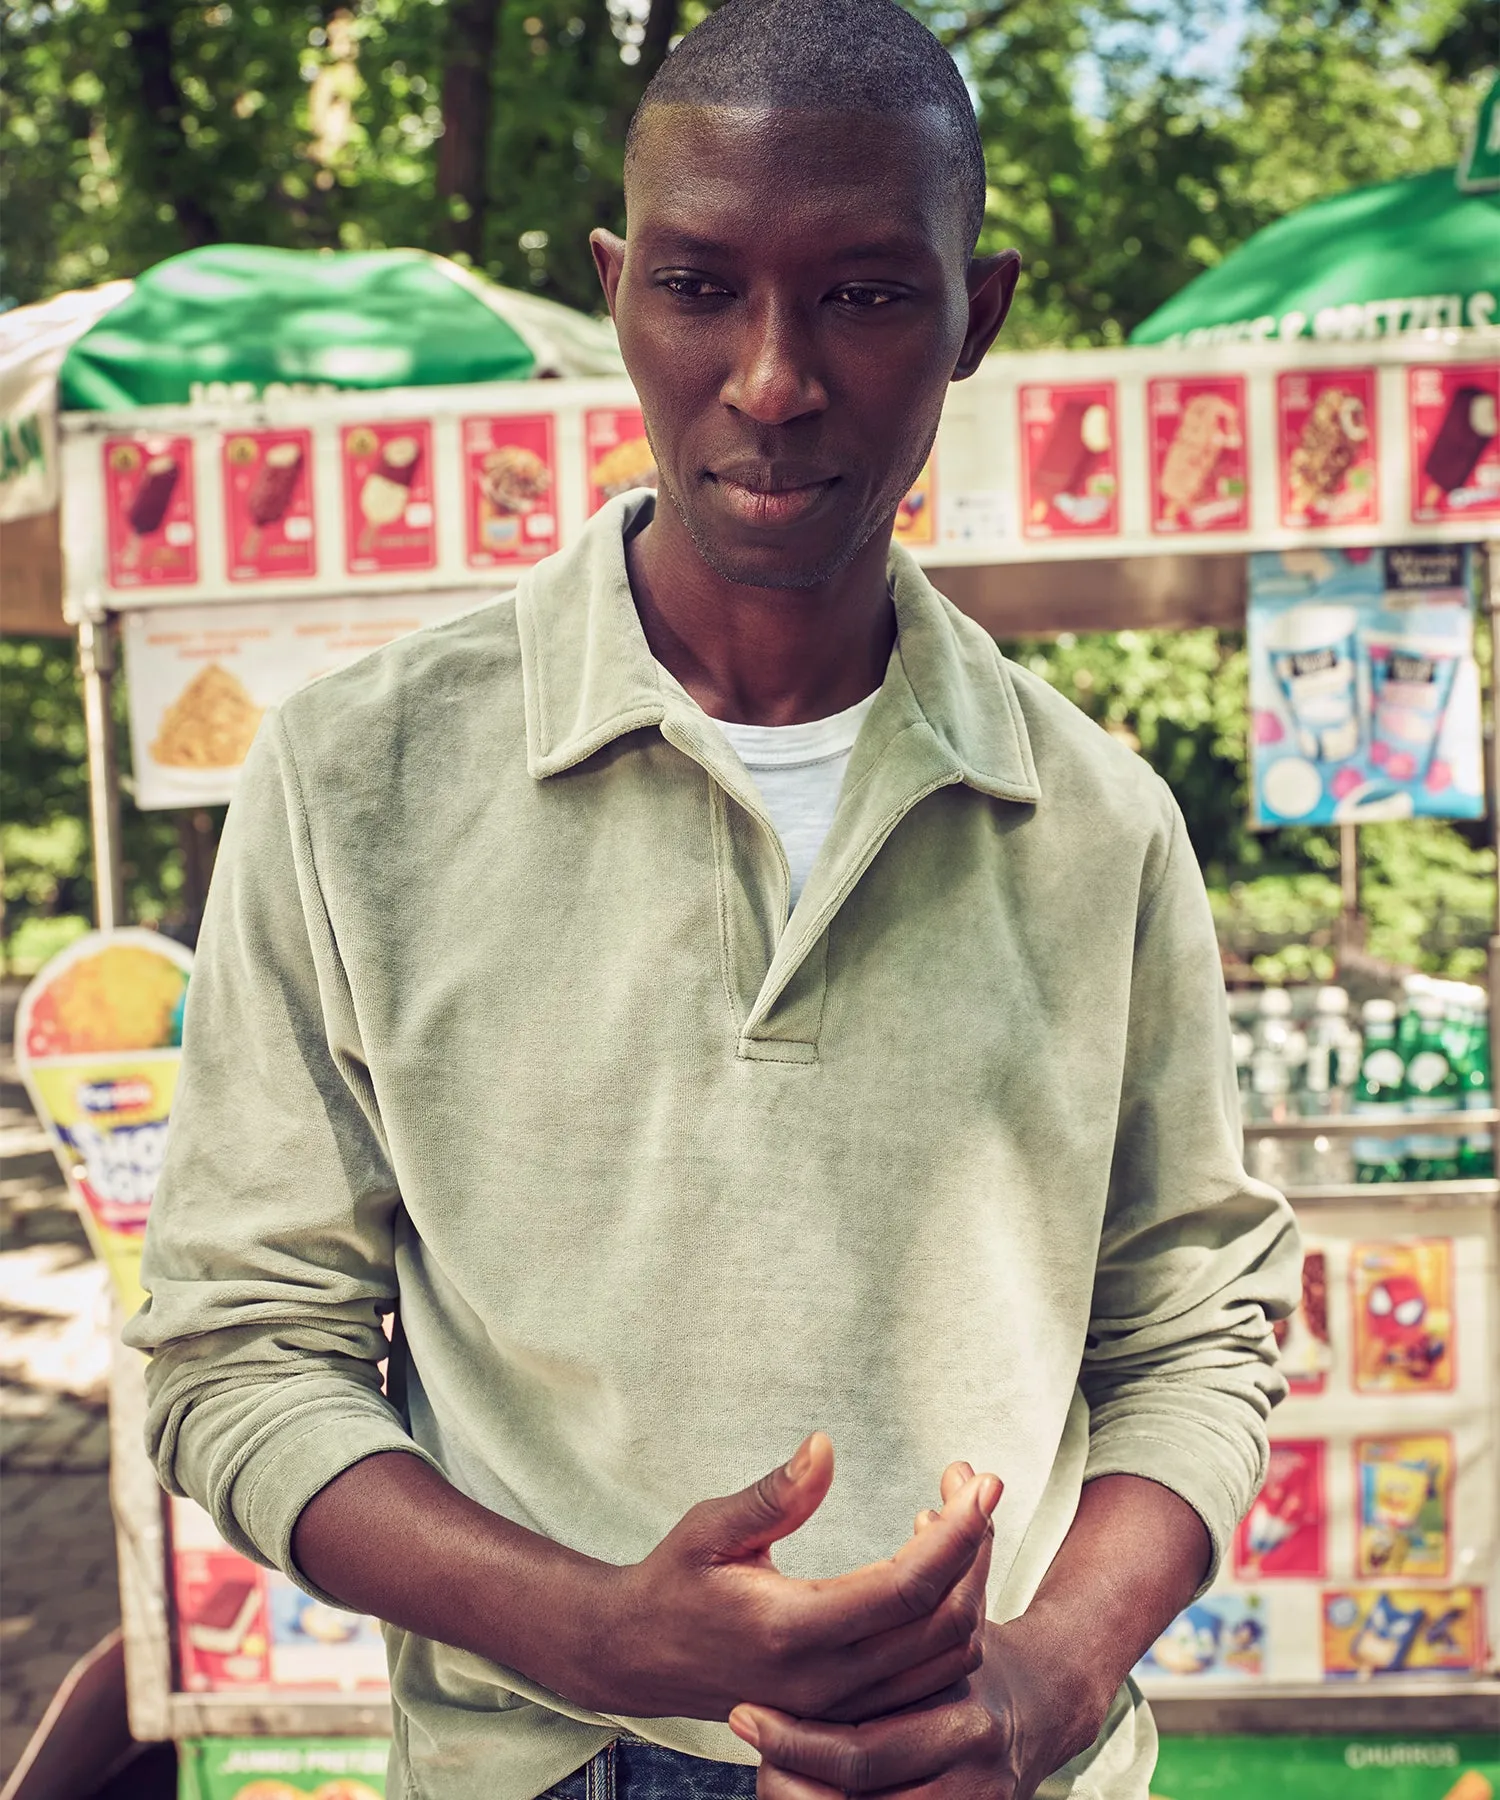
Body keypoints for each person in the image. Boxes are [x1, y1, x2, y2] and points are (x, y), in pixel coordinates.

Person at [126, 1, 1300, 1796]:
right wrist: (589, 1627)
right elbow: (236, 1352)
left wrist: (1044, 1685)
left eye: (864, 292)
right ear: (618, 292)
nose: (772, 377)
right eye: (698, 286)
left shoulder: (1097, 826)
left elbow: (1196, 1332)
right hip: (537, 1760)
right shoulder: (358, 777)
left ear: (972, 313)